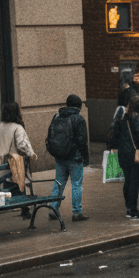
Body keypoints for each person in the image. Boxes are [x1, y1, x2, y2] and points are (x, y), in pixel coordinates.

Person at [45, 93, 91, 222]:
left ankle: (53, 209)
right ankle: (77, 212)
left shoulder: (57, 115)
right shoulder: (78, 118)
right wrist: (85, 158)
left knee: (59, 182)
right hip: (74, 157)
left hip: (59, 156)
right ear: (79, 106)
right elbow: (83, 141)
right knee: (76, 184)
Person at [0, 99, 37, 217]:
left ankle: (19, 208)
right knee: (19, 184)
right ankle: (25, 209)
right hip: (16, 162)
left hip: (3, 162)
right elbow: (22, 146)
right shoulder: (18, 128)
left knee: (8, 184)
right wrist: (31, 154)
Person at [109, 94, 139, 218]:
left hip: (123, 154)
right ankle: (133, 209)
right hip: (135, 155)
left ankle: (128, 208)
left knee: (128, 180)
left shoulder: (124, 118)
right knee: (134, 182)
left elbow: (113, 135)